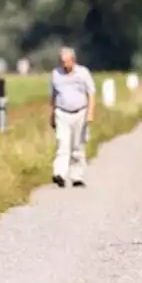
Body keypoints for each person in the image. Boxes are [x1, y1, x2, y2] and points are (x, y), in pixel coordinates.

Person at [49, 46, 96, 187]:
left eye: (66, 62)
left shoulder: (83, 73)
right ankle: (60, 174)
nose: (64, 65)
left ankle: (76, 176)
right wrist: (51, 115)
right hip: (62, 112)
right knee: (62, 144)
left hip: (80, 112)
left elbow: (91, 93)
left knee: (77, 146)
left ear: (73, 60)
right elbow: (53, 96)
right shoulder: (55, 74)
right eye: (62, 62)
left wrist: (90, 113)